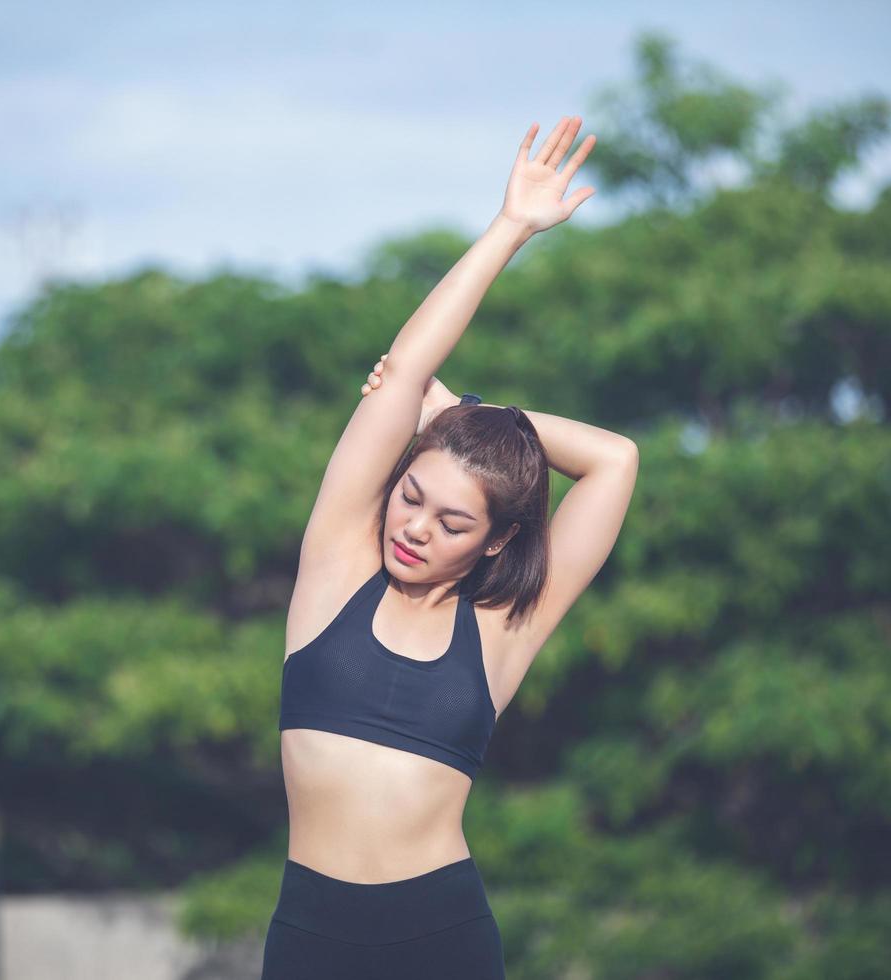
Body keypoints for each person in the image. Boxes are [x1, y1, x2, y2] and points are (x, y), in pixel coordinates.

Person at [262, 115, 640, 979]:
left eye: (453, 521)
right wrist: (510, 228)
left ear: (499, 537)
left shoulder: (504, 627)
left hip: (442, 936)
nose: (415, 526)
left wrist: (459, 418)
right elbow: (399, 372)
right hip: (311, 935)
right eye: (412, 495)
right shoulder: (336, 568)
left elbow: (614, 460)